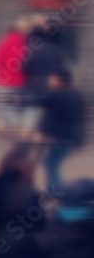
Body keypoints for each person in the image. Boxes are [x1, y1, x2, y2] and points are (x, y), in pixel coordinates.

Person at [36, 67, 85, 195]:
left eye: (52, 79)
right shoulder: (76, 95)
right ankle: (54, 189)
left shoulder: (56, 95)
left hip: (60, 137)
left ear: (60, 80)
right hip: (70, 138)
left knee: (51, 163)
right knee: (52, 162)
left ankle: (57, 191)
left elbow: (41, 101)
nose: (50, 81)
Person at [0, 18, 30, 134]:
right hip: (20, 81)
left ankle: (9, 122)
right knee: (13, 103)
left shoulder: (4, 42)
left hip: (4, 80)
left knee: (3, 103)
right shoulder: (26, 42)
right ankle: (6, 123)